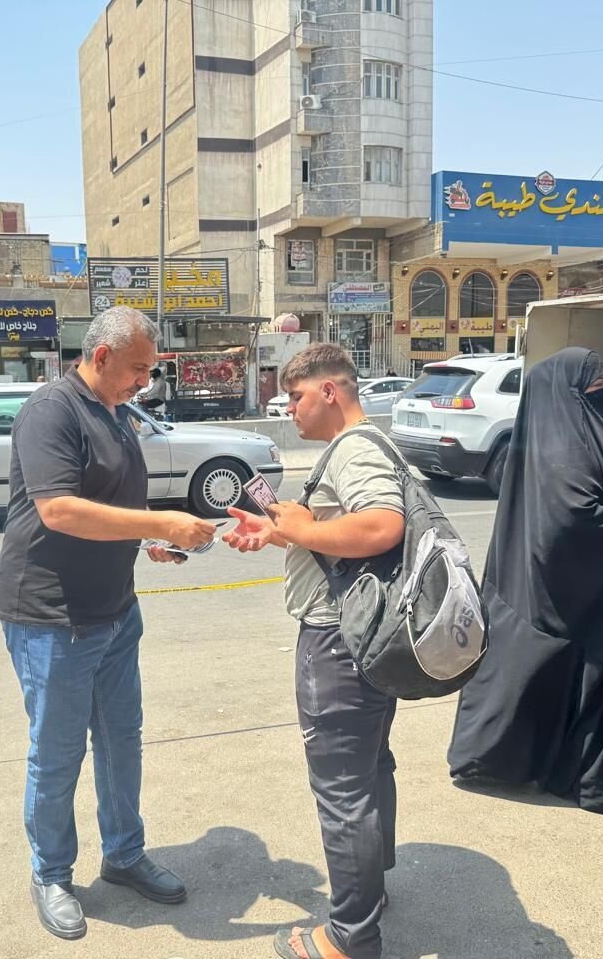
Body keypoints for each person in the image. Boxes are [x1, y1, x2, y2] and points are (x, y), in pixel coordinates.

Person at [0, 305, 216, 941]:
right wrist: (161, 521)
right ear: (102, 355)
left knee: (121, 741)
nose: (146, 381)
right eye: (139, 368)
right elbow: (60, 511)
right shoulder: (51, 411)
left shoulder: (115, 413)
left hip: (115, 611)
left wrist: (150, 542)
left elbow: (109, 506)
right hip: (51, 617)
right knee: (57, 752)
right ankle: (51, 873)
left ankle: (123, 854)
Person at [222, 343, 406, 959]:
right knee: (370, 768)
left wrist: (298, 526)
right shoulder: (365, 444)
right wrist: (282, 532)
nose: (290, 409)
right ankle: (369, 893)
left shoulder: (354, 449)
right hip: (364, 636)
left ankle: (350, 936)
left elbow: (381, 526)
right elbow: (340, 533)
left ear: (330, 391)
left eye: (296, 397)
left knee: (343, 789)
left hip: (336, 640)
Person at [447, 347, 603, 818]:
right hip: (581, 590)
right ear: (566, 392)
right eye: (596, 382)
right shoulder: (562, 444)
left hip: (587, 580)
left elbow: (595, 483)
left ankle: (572, 770)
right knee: (599, 674)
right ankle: (599, 785)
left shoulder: (570, 432)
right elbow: (571, 515)